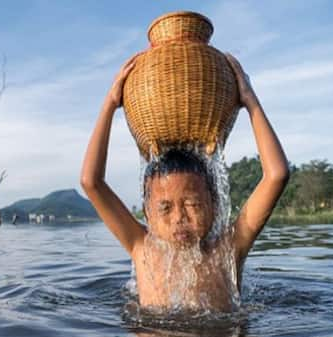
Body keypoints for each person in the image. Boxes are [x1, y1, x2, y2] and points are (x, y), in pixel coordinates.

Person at [80, 52, 289, 313]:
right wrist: (110, 103)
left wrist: (250, 101)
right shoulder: (141, 247)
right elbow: (91, 181)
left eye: (192, 204)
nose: (179, 217)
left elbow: (277, 175)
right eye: (165, 208)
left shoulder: (228, 251)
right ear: (148, 212)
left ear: (215, 205)